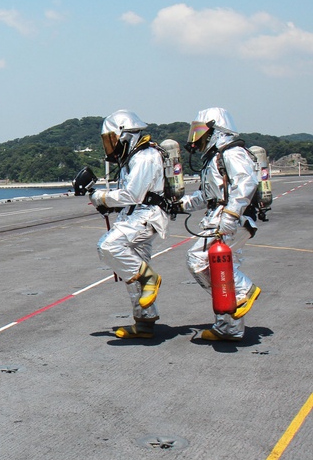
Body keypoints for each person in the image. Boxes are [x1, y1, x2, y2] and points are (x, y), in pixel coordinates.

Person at [180, 107, 261, 341]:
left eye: (200, 130)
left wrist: (230, 216)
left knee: (198, 260)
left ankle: (244, 290)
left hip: (231, 218)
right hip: (220, 215)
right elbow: (207, 196)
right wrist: (179, 204)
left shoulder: (232, 152)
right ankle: (230, 328)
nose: (196, 137)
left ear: (216, 129)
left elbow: (246, 182)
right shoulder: (214, 158)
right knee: (223, 268)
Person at [90, 110, 169, 339]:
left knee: (108, 246)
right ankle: (144, 322)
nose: (110, 145)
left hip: (146, 216)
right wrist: (111, 205)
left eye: (111, 138)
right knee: (133, 271)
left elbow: (133, 194)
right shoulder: (133, 158)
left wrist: (102, 197)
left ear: (124, 135)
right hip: (137, 215)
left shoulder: (145, 156)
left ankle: (150, 278)